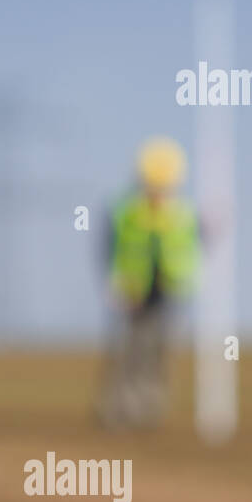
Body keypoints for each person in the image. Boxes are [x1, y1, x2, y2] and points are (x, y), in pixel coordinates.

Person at [97, 136, 200, 428]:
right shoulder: (126, 209)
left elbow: (191, 244)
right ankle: (121, 411)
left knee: (158, 351)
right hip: (132, 290)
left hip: (168, 290)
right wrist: (113, 282)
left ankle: (150, 410)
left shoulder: (181, 211)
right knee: (130, 350)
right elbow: (111, 245)